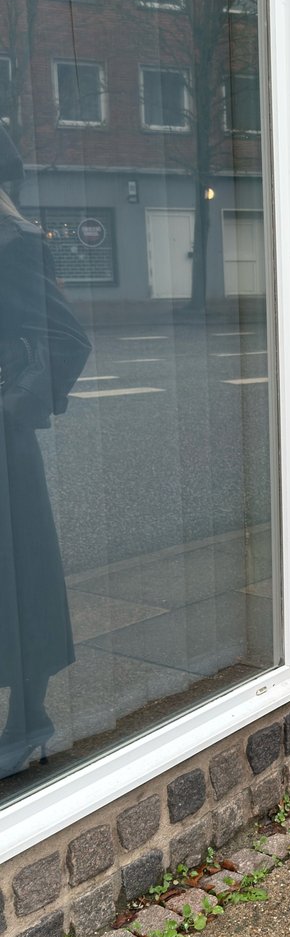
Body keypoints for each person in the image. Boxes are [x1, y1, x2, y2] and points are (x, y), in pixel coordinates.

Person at [0, 124, 91, 779]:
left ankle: (27, 716)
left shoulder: (13, 241)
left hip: (4, 448)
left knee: (19, 577)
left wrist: (9, 407)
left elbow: (66, 339)